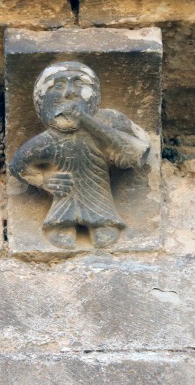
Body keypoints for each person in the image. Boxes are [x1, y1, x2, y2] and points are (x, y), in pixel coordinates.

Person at [9, 61, 150, 249]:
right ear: (41, 100)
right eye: (58, 86)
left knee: (99, 208)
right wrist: (44, 179)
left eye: (79, 84)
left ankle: (102, 222)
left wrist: (86, 120)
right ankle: (61, 222)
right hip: (64, 197)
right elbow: (18, 164)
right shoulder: (47, 139)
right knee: (65, 198)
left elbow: (135, 153)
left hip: (98, 196)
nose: (69, 93)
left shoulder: (107, 123)